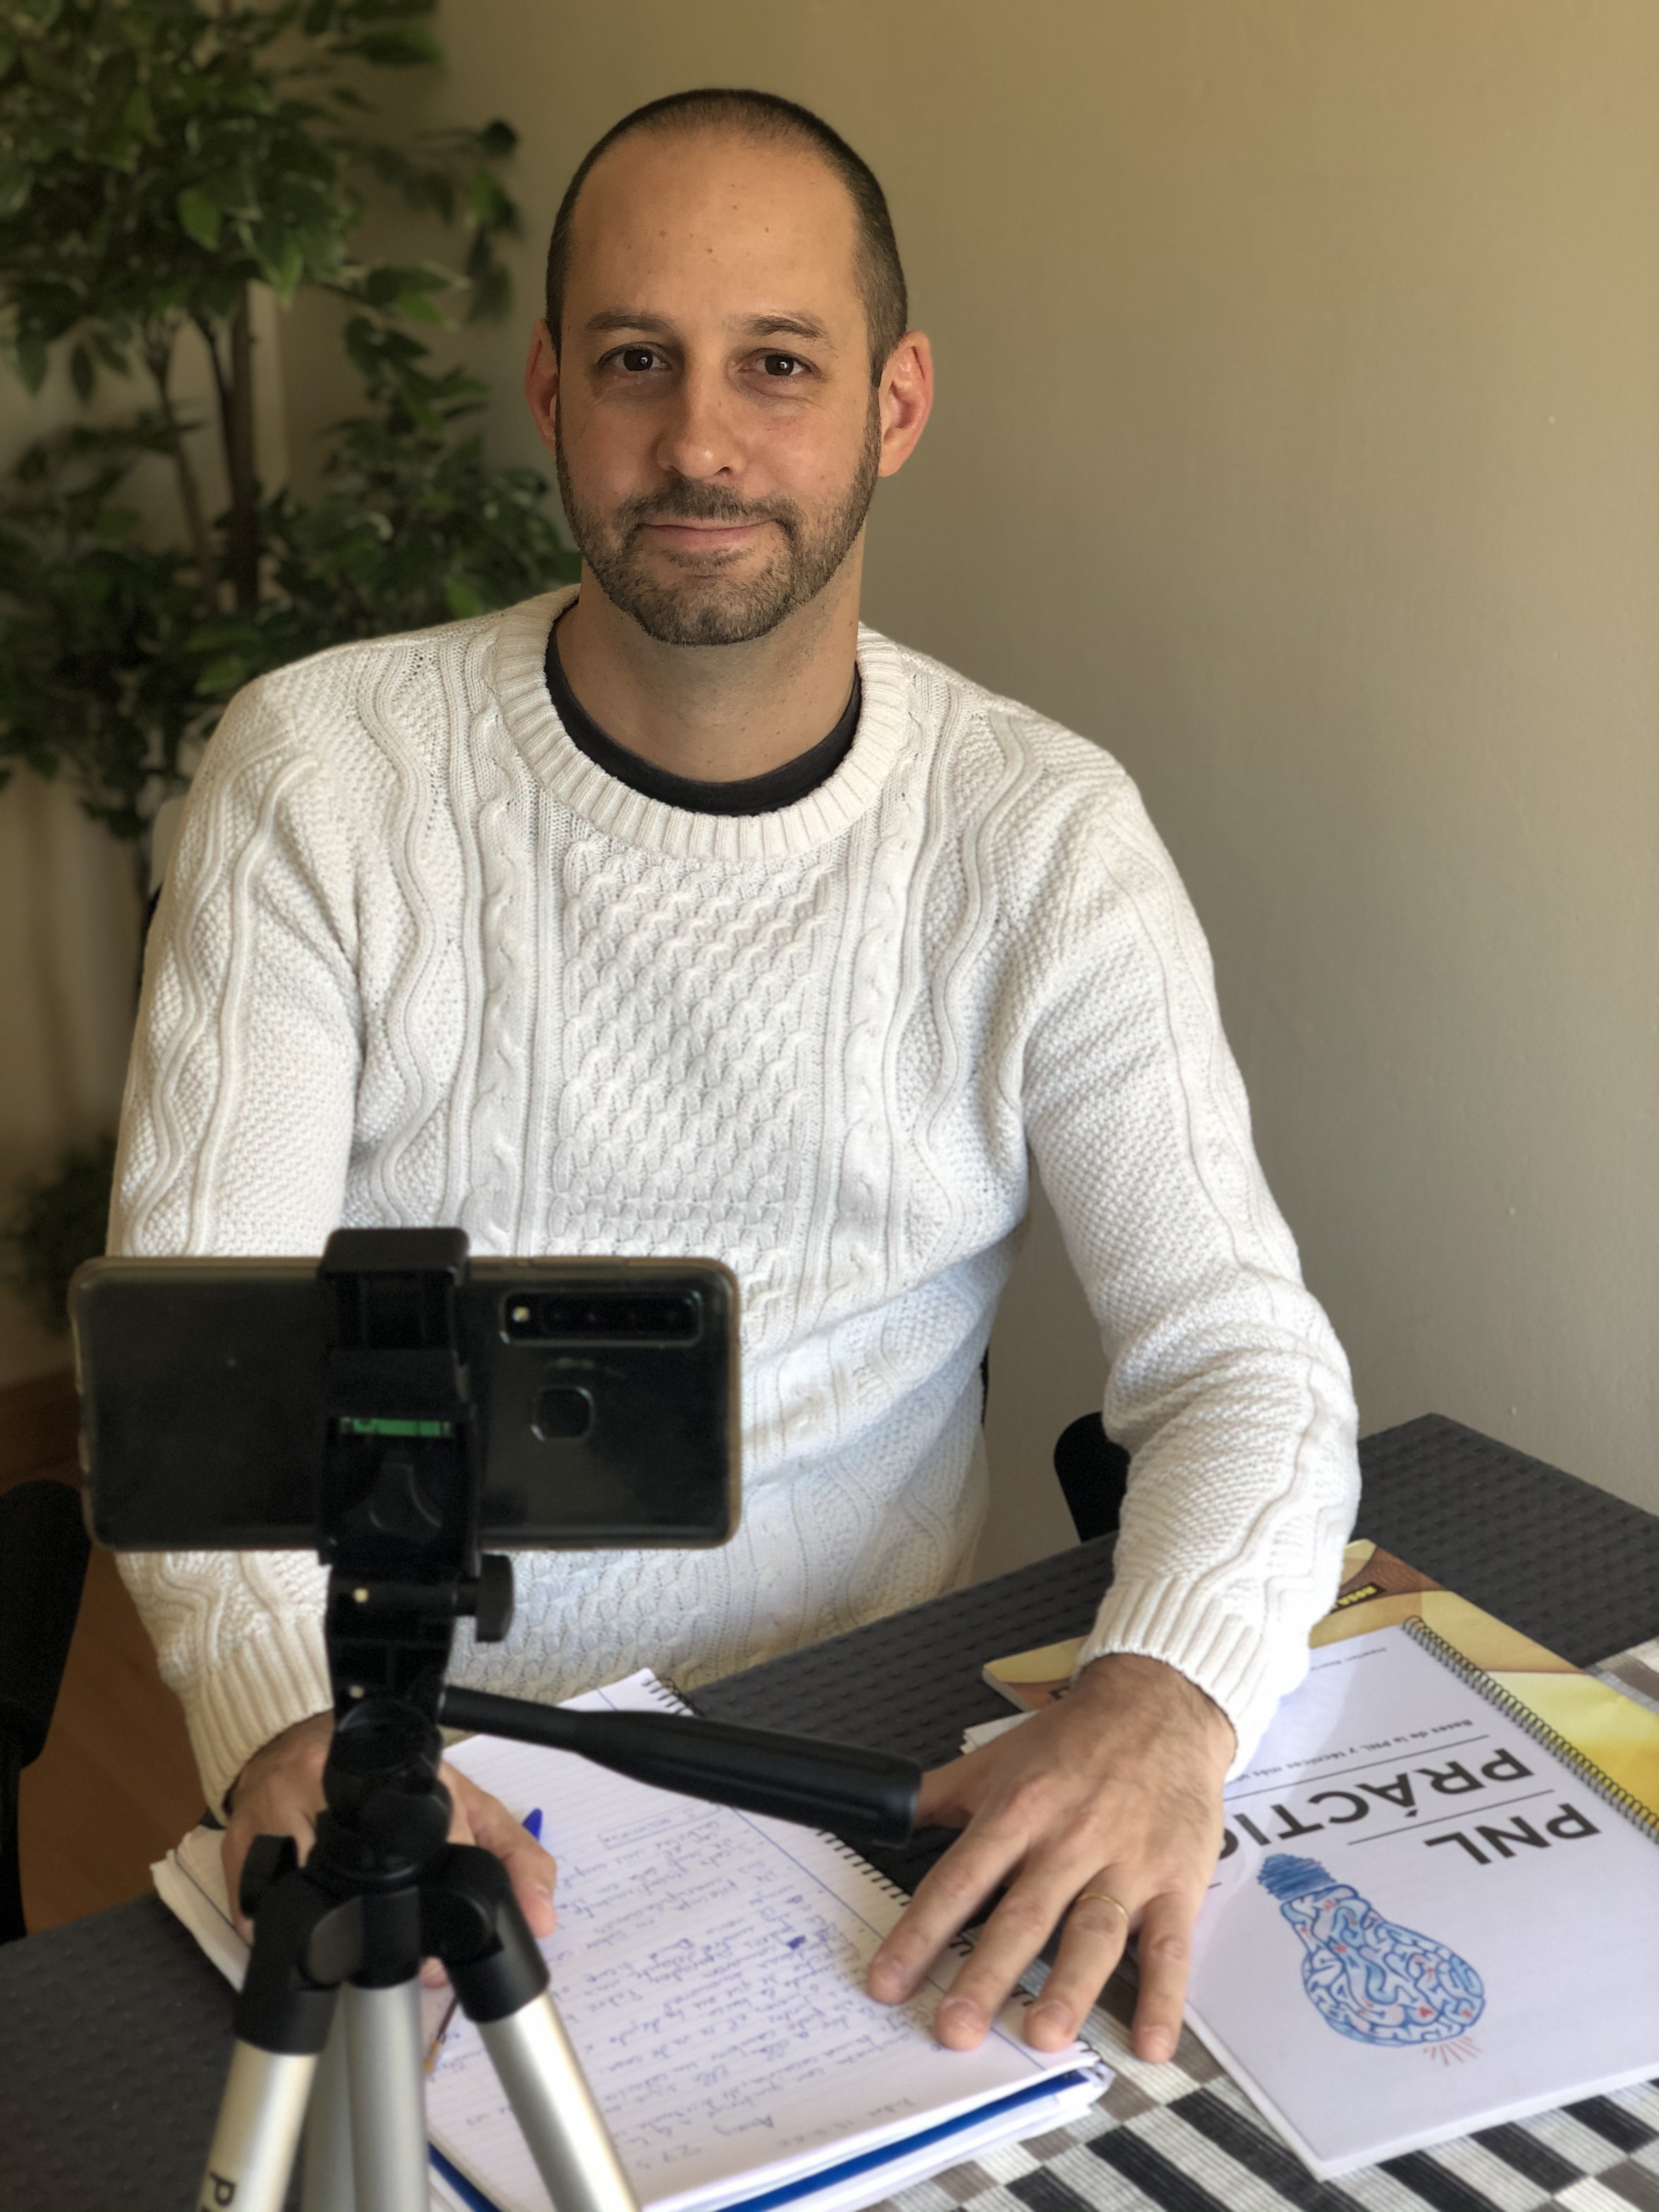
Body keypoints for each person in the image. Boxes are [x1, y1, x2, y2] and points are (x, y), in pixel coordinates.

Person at [110, 88, 1358, 2066]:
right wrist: (296, 1716)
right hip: (408, 1757)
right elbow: (204, 1380)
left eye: (779, 364)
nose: (700, 442)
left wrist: (1165, 1698)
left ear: (895, 402)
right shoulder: (323, 777)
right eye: (638, 361)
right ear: (551, 392)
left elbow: (1244, 1362)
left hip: (861, 1767)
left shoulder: (1042, 836)